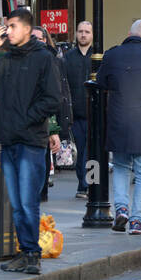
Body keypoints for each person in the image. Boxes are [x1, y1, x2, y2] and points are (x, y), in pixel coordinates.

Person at [0, 8, 63, 276]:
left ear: (26, 28)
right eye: (6, 27)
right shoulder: (7, 58)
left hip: (30, 141)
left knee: (27, 201)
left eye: (12, 26)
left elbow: (53, 99)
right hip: (8, 138)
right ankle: (24, 252)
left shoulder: (44, 58)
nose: (7, 31)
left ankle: (32, 254)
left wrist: (27, 119)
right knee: (15, 202)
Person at [96, 19, 141, 234]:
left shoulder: (112, 54)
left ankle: (121, 209)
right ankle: (137, 221)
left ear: (129, 33)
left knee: (121, 166)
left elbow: (101, 82)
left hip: (118, 120)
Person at [32, 25, 73, 200]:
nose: (35, 42)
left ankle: (41, 192)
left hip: (45, 117)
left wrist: (57, 129)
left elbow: (59, 94)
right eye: (32, 38)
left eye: (39, 38)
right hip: (27, 120)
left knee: (43, 156)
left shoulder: (54, 60)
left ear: (45, 39)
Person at [63, 21, 95, 198]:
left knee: (93, 152)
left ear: (92, 35)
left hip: (95, 114)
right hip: (75, 113)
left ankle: (90, 185)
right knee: (81, 150)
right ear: (76, 34)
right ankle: (82, 184)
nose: (83, 35)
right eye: (80, 31)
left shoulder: (98, 57)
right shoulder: (68, 58)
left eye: (87, 32)